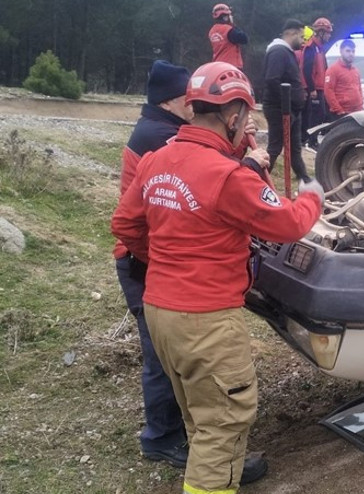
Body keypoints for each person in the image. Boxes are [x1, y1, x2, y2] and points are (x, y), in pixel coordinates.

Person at [111, 61, 324, 494]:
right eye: (245, 117)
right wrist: (312, 198)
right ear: (233, 116)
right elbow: (286, 224)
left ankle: (215, 466)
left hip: (159, 312)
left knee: (199, 411)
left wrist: (167, 262)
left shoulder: (157, 160)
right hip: (206, 320)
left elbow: (126, 225)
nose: (246, 125)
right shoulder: (226, 176)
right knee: (224, 419)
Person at [114, 60, 192, 469]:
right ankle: (161, 437)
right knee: (161, 354)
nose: (196, 105)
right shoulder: (161, 137)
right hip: (141, 261)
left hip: (144, 257)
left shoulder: (157, 127)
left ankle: (172, 427)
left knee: (168, 350)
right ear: (174, 100)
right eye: (191, 99)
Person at [262, 18, 311, 182]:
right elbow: (272, 79)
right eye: (302, 36)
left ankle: (304, 179)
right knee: (275, 147)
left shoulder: (287, 52)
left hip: (292, 109)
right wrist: (286, 105)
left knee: (295, 148)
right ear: (292, 33)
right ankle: (259, 179)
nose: (303, 41)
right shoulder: (278, 52)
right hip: (280, 109)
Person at [300, 17, 333, 148]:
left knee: (320, 114)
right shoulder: (311, 47)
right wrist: (311, 88)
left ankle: (309, 139)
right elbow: (306, 69)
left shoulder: (320, 48)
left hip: (320, 87)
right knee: (316, 115)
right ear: (320, 32)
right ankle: (310, 140)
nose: (329, 36)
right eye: (328, 33)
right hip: (313, 88)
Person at [324, 39, 364, 118]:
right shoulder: (333, 70)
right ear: (341, 51)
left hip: (357, 113)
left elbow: (359, 89)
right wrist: (338, 110)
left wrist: (361, 106)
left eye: (353, 51)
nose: (351, 54)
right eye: (348, 51)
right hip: (341, 114)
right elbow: (328, 91)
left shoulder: (355, 70)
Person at [209, 4, 248, 70]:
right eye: (228, 15)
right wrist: (233, 24)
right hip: (231, 66)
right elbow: (244, 39)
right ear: (225, 17)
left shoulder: (212, 31)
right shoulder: (228, 30)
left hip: (217, 65)